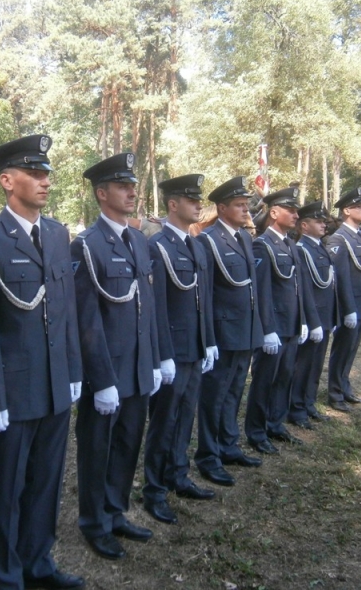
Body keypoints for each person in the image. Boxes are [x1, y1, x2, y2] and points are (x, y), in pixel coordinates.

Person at [0, 135, 84, 590]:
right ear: (6, 180)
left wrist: (73, 370)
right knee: (9, 490)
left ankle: (39, 563)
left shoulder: (56, 233)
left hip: (55, 384)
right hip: (13, 390)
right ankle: (8, 576)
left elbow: (67, 310)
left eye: (46, 173)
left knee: (47, 482)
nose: (44, 181)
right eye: (33, 173)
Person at [71, 152, 161, 561]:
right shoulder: (87, 246)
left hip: (139, 366)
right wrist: (101, 379)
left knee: (128, 443)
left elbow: (149, 308)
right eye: (123, 186)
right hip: (107, 372)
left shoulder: (139, 241)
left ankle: (116, 510)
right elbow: (87, 319)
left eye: (133, 185)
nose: (132, 192)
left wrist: (156, 360)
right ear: (101, 193)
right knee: (98, 448)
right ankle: (94, 522)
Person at [143, 174, 217, 526]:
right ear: (173, 204)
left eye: (198, 199)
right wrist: (162, 355)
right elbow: (155, 306)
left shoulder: (197, 245)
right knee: (163, 421)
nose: (198, 204)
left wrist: (210, 340)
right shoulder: (157, 247)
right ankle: (154, 489)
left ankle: (178, 474)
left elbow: (204, 299)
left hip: (195, 347)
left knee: (185, 416)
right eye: (191, 199)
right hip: (173, 350)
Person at [194, 177, 264, 485]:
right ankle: (208, 456)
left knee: (235, 389)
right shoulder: (207, 241)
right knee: (214, 394)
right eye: (238, 204)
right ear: (221, 208)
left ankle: (228, 444)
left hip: (244, 329)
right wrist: (208, 338)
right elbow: (204, 295)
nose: (245, 209)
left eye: (246, 204)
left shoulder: (244, 239)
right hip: (223, 331)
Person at [245, 187, 312, 453]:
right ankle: (257, 431)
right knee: (264, 380)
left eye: (297, 210)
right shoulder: (262, 245)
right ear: (274, 213)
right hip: (275, 327)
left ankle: (275, 423)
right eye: (291, 210)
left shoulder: (289, 244)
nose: (296, 215)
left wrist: (303, 320)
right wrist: (267, 329)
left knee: (284, 376)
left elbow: (297, 287)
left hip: (292, 325)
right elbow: (262, 292)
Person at [326, 188, 361, 412]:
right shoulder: (339, 239)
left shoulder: (359, 235)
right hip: (351, 306)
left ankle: (345, 386)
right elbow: (340, 278)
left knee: (352, 349)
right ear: (346, 210)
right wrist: (347, 309)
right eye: (358, 207)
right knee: (343, 348)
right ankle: (335, 393)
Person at [289, 201, 336, 427]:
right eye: (318, 221)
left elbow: (328, 286)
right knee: (303, 364)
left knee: (316, 364)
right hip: (312, 318)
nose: (324, 225)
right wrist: (311, 321)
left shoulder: (318, 246)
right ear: (304, 226)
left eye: (323, 221)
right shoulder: (302, 250)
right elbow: (305, 290)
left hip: (324, 316)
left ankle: (308, 402)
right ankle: (296, 407)